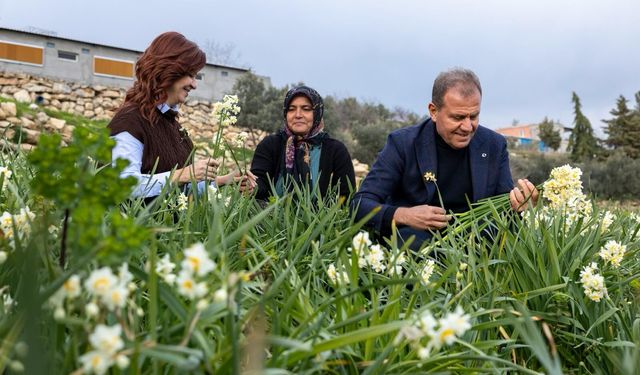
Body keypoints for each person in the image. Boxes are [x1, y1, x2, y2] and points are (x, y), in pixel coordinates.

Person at [352, 68, 538, 250]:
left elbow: (503, 209)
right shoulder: (402, 143)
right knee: (410, 241)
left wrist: (520, 206)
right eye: (458, 117)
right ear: (433, 111)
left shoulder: (494, 145)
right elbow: (360, 204)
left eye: (473, 116)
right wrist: (404, 215)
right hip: (418, 240)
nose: (467, 127)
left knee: (513, 237)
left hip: (474, 240)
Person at [108, 32, 255, 200]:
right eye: (190, 75)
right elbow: (123, 185)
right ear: (169, 71)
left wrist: (224, 181)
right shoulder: (130, 121)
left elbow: (182, 192)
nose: (194, 84)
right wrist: (184, 174)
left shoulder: (171, 125)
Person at [250, 85, 355, 201]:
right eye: (291, 109)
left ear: (317, 113)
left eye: (306, 109)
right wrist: (250, 187)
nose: (298, 115)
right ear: (286, 113)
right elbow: (259, 183)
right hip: (271, 216)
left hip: (320, 219)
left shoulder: (335, 150)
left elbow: (346, 197)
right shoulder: (271, 145)